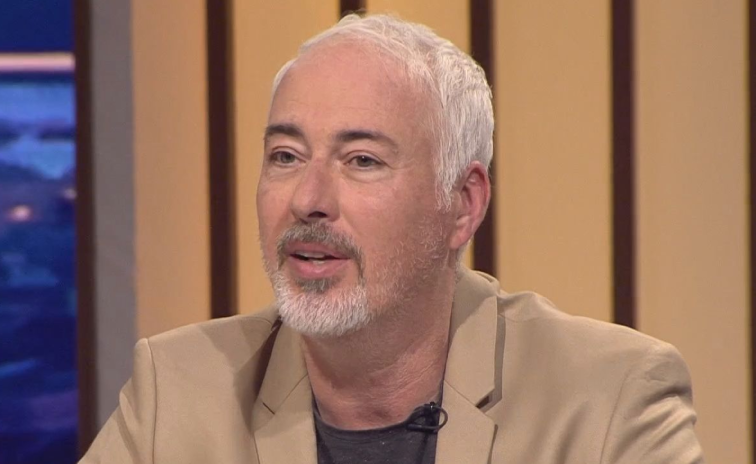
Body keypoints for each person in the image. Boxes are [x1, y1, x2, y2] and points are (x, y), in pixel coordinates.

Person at [80, 13, 705, 464]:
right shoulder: (178, 391)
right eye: (286, 156)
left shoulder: (607, 398)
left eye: (362, 161)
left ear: (462, 205)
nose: (308, 199)